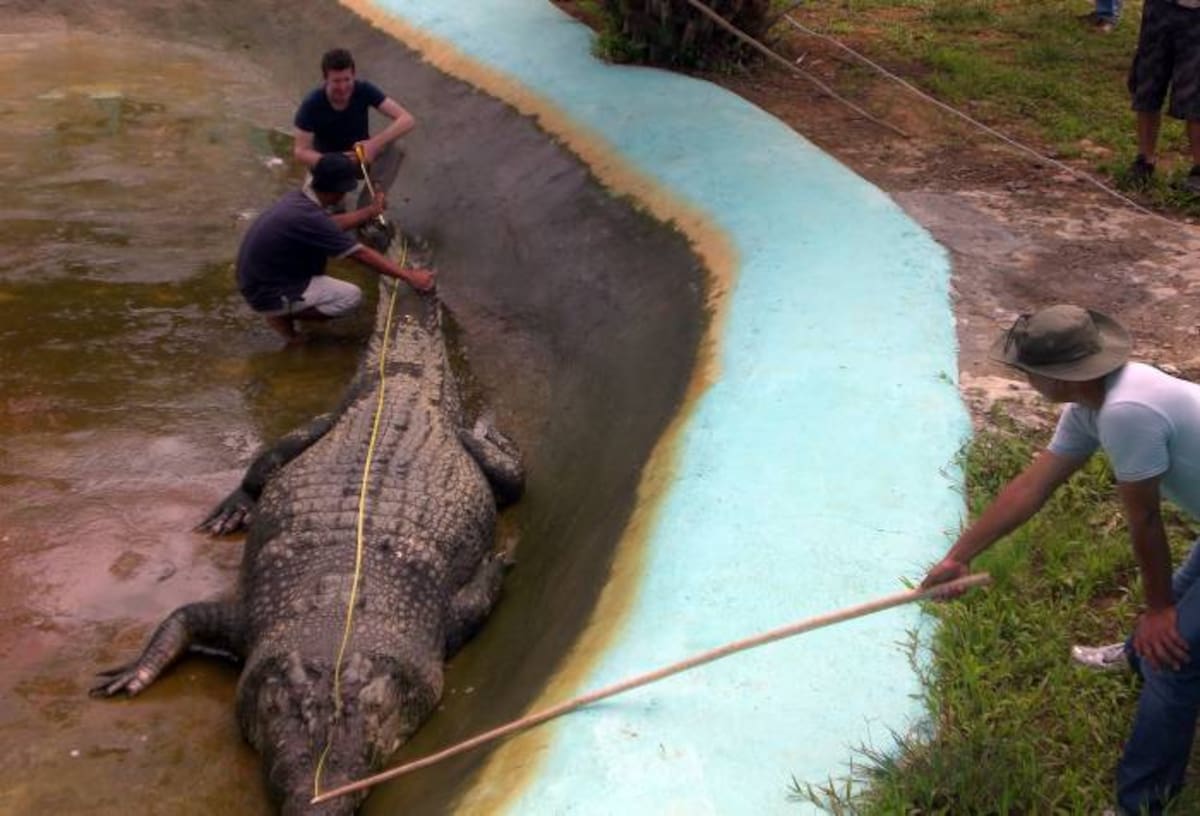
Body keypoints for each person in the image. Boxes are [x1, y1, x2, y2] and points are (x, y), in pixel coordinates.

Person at [920, 304, 1200, 815]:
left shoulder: (1126, 412)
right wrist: (958, 557)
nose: (1023, 378)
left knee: (1178, 655)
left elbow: (1145, 522)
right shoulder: (1094, 403)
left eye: (1026, 370)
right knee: (1179, 605)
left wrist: (1158, 612)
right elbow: (1033, 485)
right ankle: (1136, 652)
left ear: (1055, 376)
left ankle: (1141, 805)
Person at [235, 153, 434, 345]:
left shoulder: (299, 200)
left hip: (257, 281)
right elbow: (361, 254)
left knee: (318, 260)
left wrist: (370, 212)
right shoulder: (309, 218)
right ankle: (279, 313)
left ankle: (281, 310)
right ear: (338, 192)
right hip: (266, 291)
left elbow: (329, 224)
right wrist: (409, 276)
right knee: (350, 296)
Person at [293, 47, 414, 203]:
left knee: (397, 147)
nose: (343, 88)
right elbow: (300, 152)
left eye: (347, 80)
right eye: (336, 81)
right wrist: (336, 160)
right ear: (326, 79)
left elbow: (407, 119)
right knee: (324, 220)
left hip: (361, 156)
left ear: (353, 76)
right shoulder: (312, 104)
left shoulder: (363, 89)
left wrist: (373, 144)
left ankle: (368, 209)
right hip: (330, 165)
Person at [1125, 0, 1200, 194]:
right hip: (1160, 8)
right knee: (1147, 84)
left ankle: (1199, 172)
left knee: (1196, 93)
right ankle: (1144, 161)